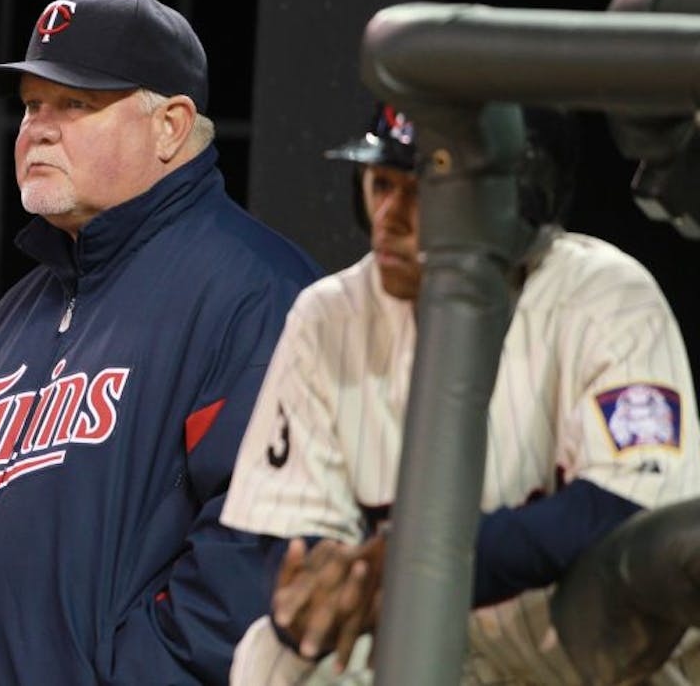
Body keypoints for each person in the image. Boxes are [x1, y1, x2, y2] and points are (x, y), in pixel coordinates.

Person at [0, 0, 322, 685]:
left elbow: (262, 552)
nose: (38, 128)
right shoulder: (16, 314)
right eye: (32, 104)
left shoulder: (255, 291)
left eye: (77, 104)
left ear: (171, 126)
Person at [221, 104, 700, 684]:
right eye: (380, 184)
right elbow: (297, 529)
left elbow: (627, 501)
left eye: (420, 193)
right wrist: (324, 589)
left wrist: (412, 564)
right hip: (436, 658)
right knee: (269, 660)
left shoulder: (602, 294)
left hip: (593, 659)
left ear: (512, 206)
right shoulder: (329, 315)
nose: (387, 219)